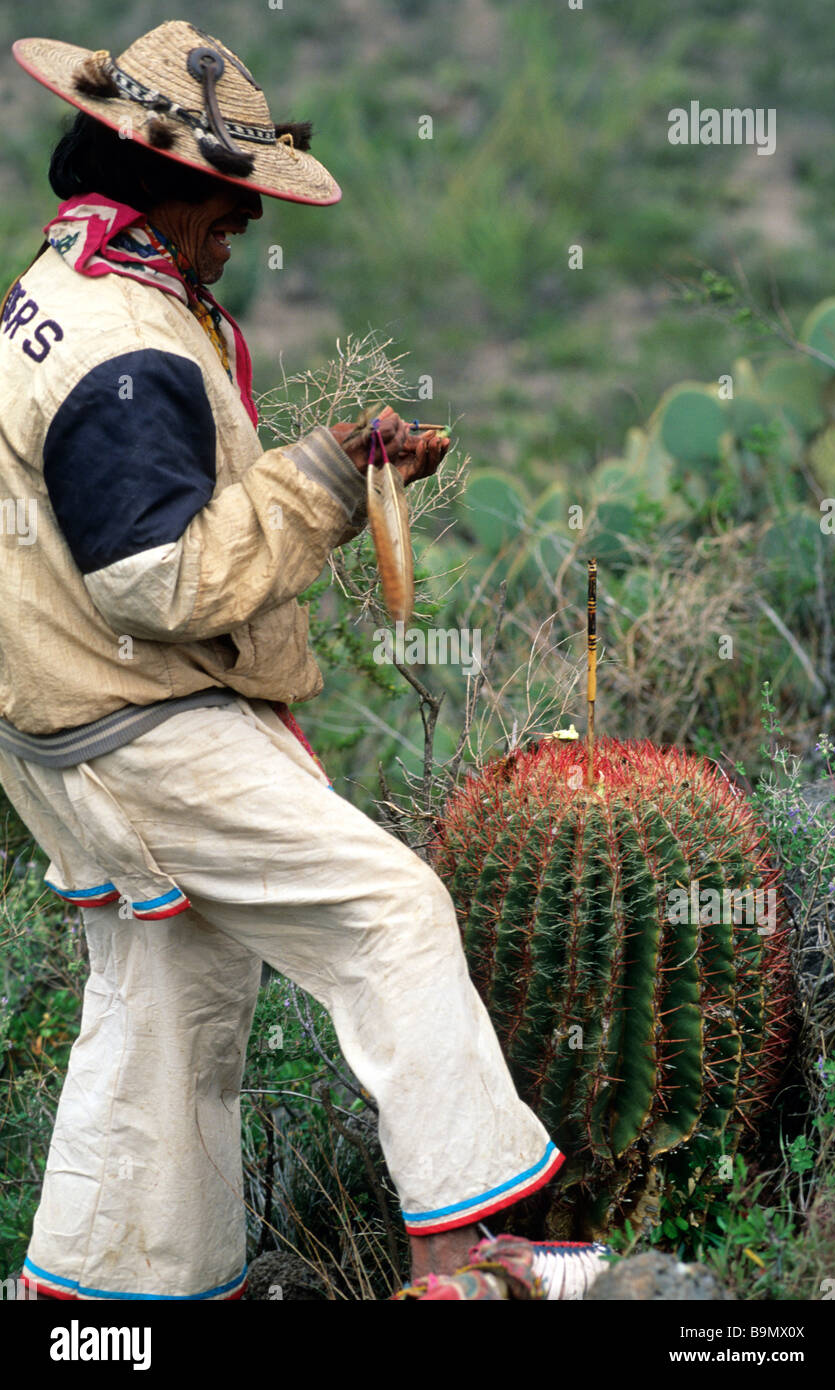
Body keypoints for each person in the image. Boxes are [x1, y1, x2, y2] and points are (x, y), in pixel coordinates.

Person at [0, 21, 571, 1301]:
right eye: (228, 211)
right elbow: (157, 580)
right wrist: (317, 484)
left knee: (163, 995)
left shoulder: (63, 289)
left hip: (55, 720)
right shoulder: (127, 345)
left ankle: (106, 1304)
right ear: (176, 189)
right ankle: (457, 1260)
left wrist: (329, 468)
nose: (239, 237)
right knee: (390, 911)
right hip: (136, 723)